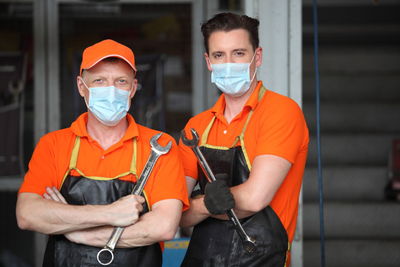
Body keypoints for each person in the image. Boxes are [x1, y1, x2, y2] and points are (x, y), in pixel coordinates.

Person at [16, 39, 189, 267]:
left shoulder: (158, 146)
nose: (111, 90)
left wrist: (77, 232)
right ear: (81, 86)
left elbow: (163, 226)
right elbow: (28, 214)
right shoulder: (54, 145)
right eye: (99, 81)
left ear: (133, 88)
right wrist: (110, 213)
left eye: (121, 81)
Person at [179, 13, 309, 266]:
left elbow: (255, 198)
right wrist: (208, 204)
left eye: (238, 53)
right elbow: (177, 213)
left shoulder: (281, 111)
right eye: (219, 55)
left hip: (261, 258)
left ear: (256, 57)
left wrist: (200, 206)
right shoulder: (196, 127)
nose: (228, 63)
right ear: (208, 61)